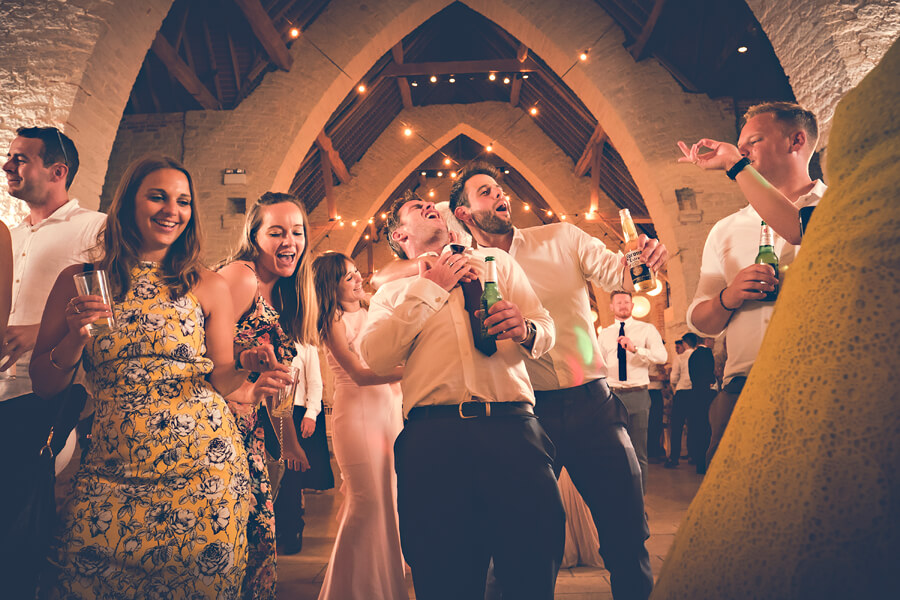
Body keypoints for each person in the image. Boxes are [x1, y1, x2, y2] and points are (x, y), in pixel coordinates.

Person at [30, 154, 280, 597]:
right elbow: (45, 385)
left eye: (183, 201)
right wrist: (74, 337)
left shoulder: (205, 284)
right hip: (111, 471)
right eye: (158, 197)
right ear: (128, 204)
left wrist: (247, 365)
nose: (172, 210)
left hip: (204, 473)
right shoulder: (81, 280)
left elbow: (219, 379)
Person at [450, 162, 665, 600]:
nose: (499, 195)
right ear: (464, 213)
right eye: (485, 192)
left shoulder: (562, 238)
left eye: (499, 188)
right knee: (522, 544)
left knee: (627, 534)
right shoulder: (462, 268)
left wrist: (645, 263)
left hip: (595, 407)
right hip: (523, 420)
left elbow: (623, 275)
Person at [360, 191, 563, 600]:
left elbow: (545, 325)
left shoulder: (498, 263)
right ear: (401, 235)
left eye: (428, 203)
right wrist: (430, 289)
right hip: (435, 441)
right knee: (443, 575)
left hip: (514, 432)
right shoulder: (393, 293)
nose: (428, 206)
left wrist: (525, 328)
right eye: (416, 208)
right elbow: (375, 356)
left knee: (532, 566)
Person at [677, 102, 826, 466]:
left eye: (754, 141)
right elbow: (698, 321)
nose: (742, 151)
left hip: (819, 387)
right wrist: (728, 298)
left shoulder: (836, 206)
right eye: (739, 145)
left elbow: (801, 230)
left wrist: (734, 164)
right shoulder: (726, 229)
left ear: (796, 141)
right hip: (739, 390)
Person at [217, 191, 318, 599]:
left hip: (250, 432)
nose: (289, 242)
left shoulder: (284, 292)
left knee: (255, 545)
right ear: (253, 236)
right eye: (276, 232)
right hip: (216, 429)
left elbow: (269, 388)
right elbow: (197, 357)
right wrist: (247, 378)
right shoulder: (242, 277)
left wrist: (288, 437)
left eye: (297, 232)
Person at [313, 252, 407, 600]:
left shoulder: (373, 313)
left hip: (388, 410)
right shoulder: (332, 321)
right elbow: (360, 374)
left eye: (356, 273)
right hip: (358, 413)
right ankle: (350, 589)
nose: (357, 280)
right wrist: (413, 368)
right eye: (347, 276)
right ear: (330, 285)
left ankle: (383, 582)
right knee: (367, 502)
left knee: (389, 497)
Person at [599, 291, 667, 492]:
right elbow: (598, 365)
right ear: (612, 306)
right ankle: (618, 498)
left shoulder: (646, 329)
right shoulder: (604, 334)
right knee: (612, 451)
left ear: (632, 305)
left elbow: (661, 356)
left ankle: (639, 500)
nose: (623, 305)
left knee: (639, 452)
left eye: (627, 302)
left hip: (638, 394)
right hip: (611, 396)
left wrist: (636, 348)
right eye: (619, 302)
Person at [273, 341, 329, 555]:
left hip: (295, 411)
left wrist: (311, 414)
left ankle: (292, 530)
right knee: (272, 476)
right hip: (269, 407)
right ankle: (274, 530)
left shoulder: (306, 345)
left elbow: (315, 382)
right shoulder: (267, 339)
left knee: (291, 477)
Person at [666, 333, 695, 469]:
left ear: (685, 343)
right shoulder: (697, 355)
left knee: (677, 426)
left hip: (682, 392)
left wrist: (675, 388)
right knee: (693, 425)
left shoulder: (680, 357)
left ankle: (674, 457)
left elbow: (673, 378)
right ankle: (693, 455)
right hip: (694, 393)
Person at [687, 336, 716, 474]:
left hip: (695, 394)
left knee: (698, 428)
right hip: (706, 394)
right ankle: (706, 463)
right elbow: (708, 374)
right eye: (713, 340)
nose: (714, 343)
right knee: (707, 428)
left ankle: (700, 462)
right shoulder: (706, 353)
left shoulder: (693, 355)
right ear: (707, 340)